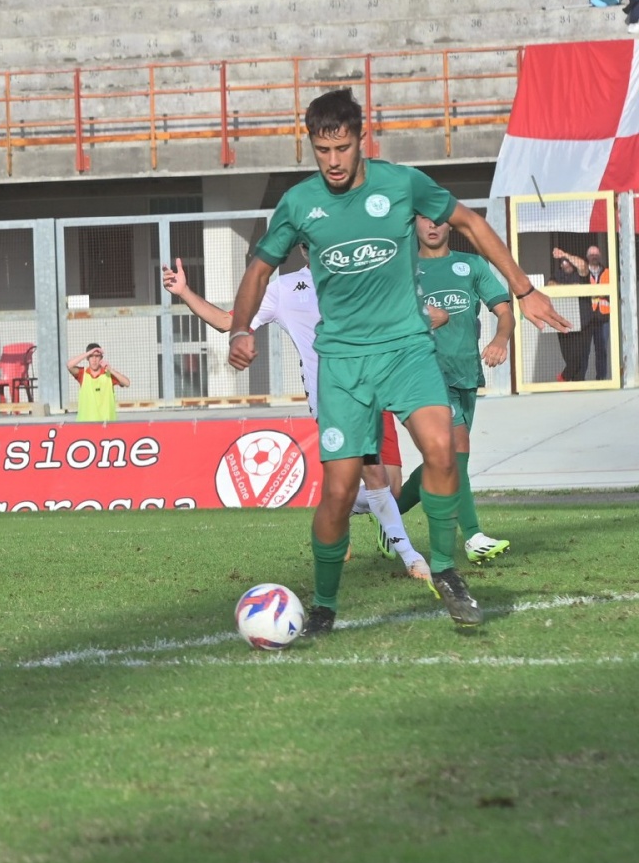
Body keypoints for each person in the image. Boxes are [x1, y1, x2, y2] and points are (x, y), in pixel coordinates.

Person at [225, 89, 566, 637]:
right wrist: (241, 329)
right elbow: (259, 270)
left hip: (407, 347)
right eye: (321, 150)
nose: (332, 161)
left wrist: (524, 290)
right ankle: (326, 607)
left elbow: (473, 225)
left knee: (443, 449)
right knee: (339, 491)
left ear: (362, 139)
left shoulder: (402, 183)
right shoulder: (299, 204)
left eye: (341, 147)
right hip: (342, 363)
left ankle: (447, 571)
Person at [163, 255, 433, 579]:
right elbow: (226, 321)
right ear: (306, 249)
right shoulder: (286, 289)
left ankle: (341, 510)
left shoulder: (359, 276)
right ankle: (411, 558)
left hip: (377, 390)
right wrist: (185, 292)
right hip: (332, 400)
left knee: (391, 487)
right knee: (373, 477)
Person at [392, 216, 515, 565]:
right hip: (425, 373)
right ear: (413, 225)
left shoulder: (472, 265)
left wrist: (499, 339)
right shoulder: (403, 268)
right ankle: (473, 536)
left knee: (444, 460)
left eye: (440, 221)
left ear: (451, 227)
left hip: (465, 371)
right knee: (458, 446)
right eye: (424, 220)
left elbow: (505, 313)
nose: (432, 227)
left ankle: (390, 517)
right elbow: (386, 316)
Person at [553, 244, 612, 380]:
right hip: (586, 319)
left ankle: (601, 381)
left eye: (596, 254)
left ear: (600, 256)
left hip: (603, 318)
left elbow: (614, 291)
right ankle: (580, 381)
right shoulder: (582, 273)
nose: (594, 256)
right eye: (591, 254)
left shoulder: (608, 272)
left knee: (601, 351)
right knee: (583, 353)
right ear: (587, 257)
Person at [65, 344, 129, 422]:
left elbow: (127, 383)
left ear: (101, 358)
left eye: (97, 356)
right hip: (85, 425)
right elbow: (69, 365)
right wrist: (89, 352)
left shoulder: (108, 375)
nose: (94, 360)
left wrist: (111, 370)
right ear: (88, 358)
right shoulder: (83, 373)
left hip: (106, 426)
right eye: (91, 356)